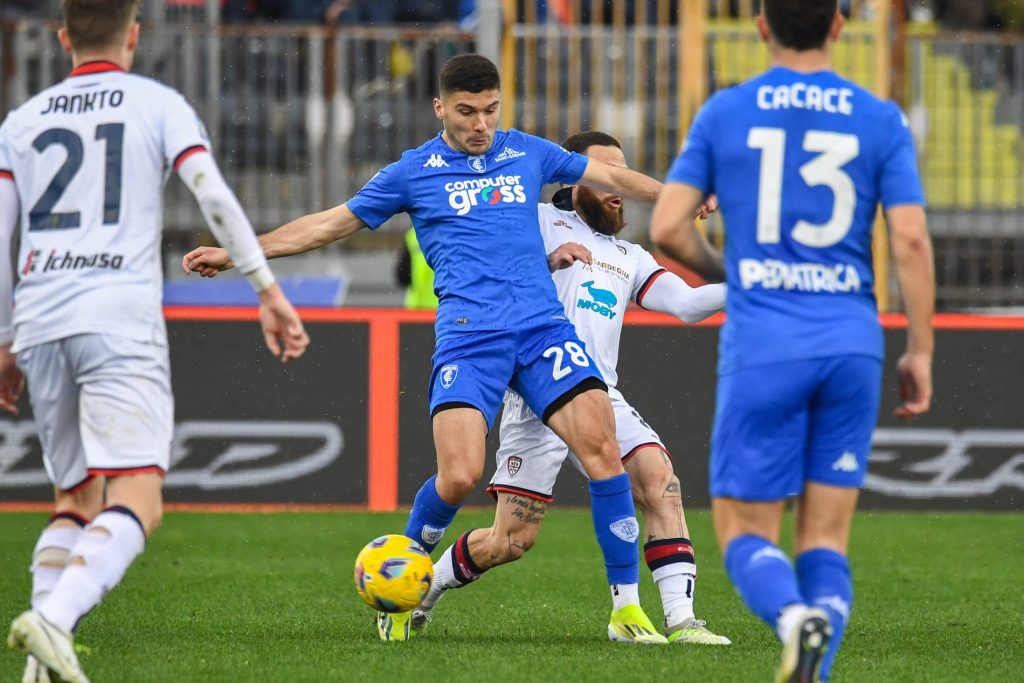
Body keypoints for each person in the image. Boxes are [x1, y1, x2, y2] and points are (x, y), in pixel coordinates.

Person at [183, 53, 669, 644]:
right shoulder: (413, 171)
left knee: (603, 451)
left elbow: (611, 177)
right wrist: (238, 253)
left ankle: (625, 611)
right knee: (459, 476)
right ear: (440, 108)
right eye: (466, 112)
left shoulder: (527, 151)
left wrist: (676, 198)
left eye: (490, 110)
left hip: (543, 330)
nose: (480, 124)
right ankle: (399, 588)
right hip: (470, 336)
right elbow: (327, 224)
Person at [0, 2, 310, 682]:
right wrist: (265, 288)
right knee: (138, 496)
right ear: (134, 35)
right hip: (117, 315)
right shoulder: (156, 103)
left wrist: (3, 338)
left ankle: (38, 668)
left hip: (41, 316)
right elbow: (213, 195)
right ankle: (54, 620)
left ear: (63, 38)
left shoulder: (21, 121)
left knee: (74, 498)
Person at [650, 1, 935, 681]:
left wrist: (737, 271)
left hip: (766, 341)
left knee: (745, 531)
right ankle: (813, 652)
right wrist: (921, 349)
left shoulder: (726, 111)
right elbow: (910, 239)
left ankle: (791, 618)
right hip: (852, 342)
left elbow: (666, 228)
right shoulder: (879, 117)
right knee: (825, 538)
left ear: (761, 28)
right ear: (838, 26)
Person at [410, 130, 731, 646]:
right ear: (573, 178)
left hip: (599, 394)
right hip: (535, 400)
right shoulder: (534, 221)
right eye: (606, 174)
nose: (618, 187)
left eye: (623, 175)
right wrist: (546, 261)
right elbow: (488, 273)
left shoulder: (630, 256)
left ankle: (681, 620)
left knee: (659, 480)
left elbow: (688, 304)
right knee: (510, 541)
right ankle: (424, 587)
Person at [396, 226, 439, 309]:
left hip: (416, 306)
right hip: (443, 307)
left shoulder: (413, 234)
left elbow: (402, 277)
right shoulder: (456, 232)